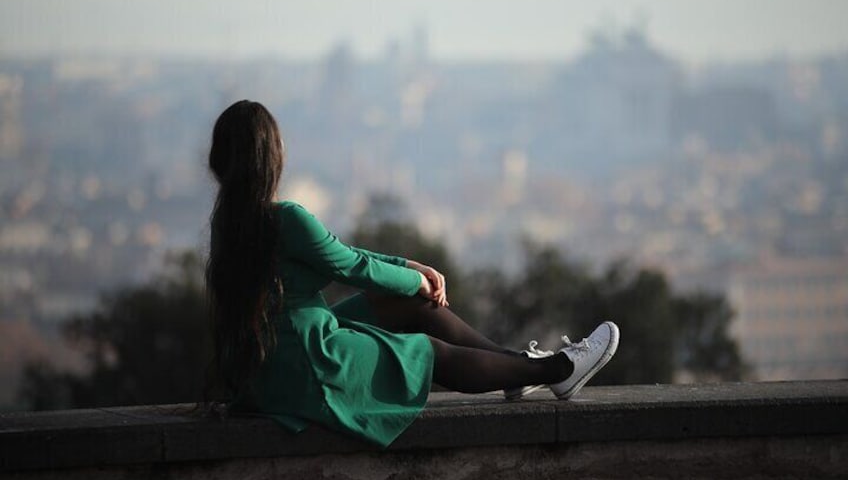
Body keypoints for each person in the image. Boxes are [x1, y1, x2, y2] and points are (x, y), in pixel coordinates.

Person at [205, 100, 620, 448]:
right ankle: (558, 371)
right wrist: (420, 278)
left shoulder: (229, 223)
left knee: (405, 302)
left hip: (270, 366)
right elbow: (348, 265)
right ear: (271, 157)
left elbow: (342, 256)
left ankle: (515, 367)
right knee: (427, 352)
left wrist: (408, 271)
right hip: (305, 363)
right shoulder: (285, 218)